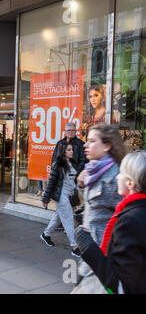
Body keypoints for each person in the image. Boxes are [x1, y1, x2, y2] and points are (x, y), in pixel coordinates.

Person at [75, 150, 146, 294]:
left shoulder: (130, 221)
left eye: (121, 173)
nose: (117, 177)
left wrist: (87, 247)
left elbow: (121, 285)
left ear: (131, 183)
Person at [72, 123, 126, 293]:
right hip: (88, 249)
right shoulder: (93, 170)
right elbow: (92, 203)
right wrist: (81, 184)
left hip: (103, 254)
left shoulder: (117, 177)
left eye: (91, 141)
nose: (85, 145)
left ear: (107, 146)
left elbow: (127, 218)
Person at [41, 142, 81, 257]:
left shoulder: (72, 163)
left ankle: (46, 234)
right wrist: (45, 199)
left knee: (58, 217)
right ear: (63, 151)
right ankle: (74, 246)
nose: (71, 151)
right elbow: (51, 183)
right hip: (61, 196)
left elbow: (74, 181)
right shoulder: (58, 164)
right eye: (69, 150)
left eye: (72, 149)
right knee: (68, 220)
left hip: (69, 195)